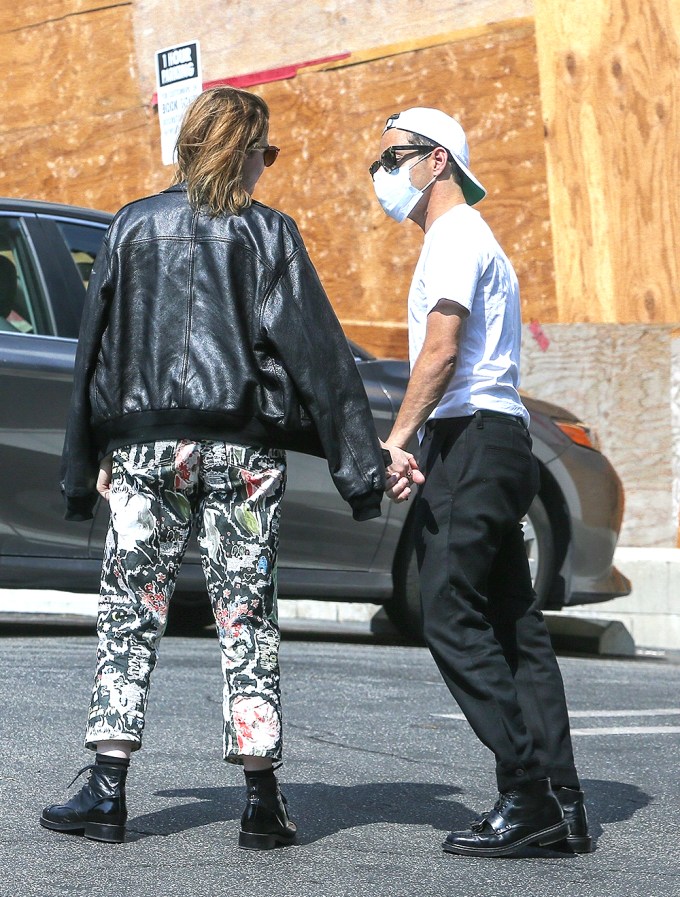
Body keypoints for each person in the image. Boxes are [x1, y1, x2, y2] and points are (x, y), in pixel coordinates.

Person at [40, 86, 392, 849]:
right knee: (246, 615)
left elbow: (92, 355)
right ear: (245, 154)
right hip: (241, 451)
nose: (267, 170)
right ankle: (262, 800)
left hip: (144, 449)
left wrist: (86, 461)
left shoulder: (133, 226)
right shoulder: (270, 237)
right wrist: (360, 474)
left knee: (127, 614)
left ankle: (107, 790)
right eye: (264, 155)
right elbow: (323, 362)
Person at [373, 108, 592, 857]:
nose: (385, 169)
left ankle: (527, 792)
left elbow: (441, 350)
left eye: (394, 155)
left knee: (446, 612)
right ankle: (562, 798)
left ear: (436, 160)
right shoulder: (467, 238)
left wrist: (396, 440)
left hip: (474, 436)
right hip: (497, 440)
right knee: (513, 620)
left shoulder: (457, 235)